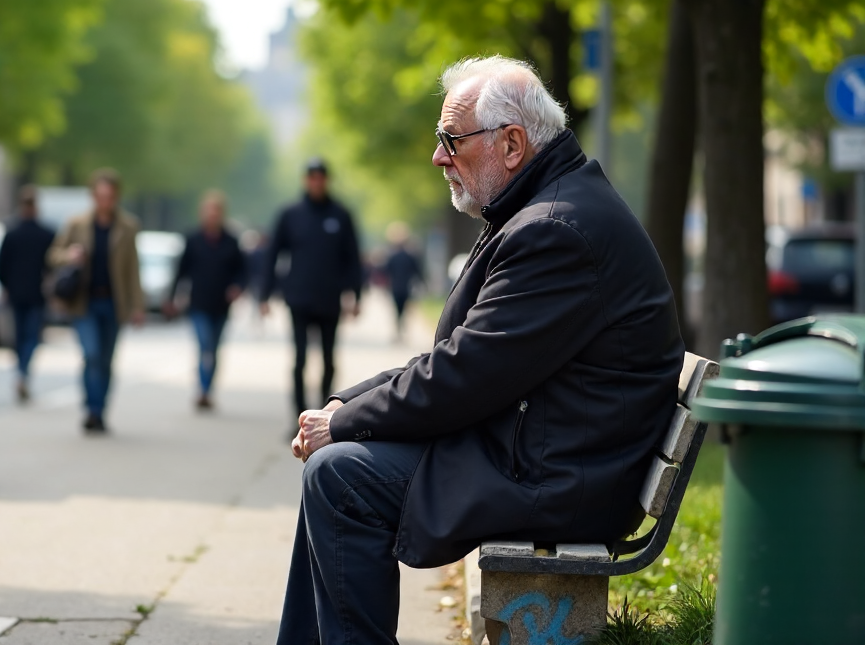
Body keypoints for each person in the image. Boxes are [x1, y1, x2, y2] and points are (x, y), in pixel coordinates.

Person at [278, 56, 684, 644]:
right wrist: (343, 407)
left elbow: (463, 376)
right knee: (334, 465)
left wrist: (341, 427)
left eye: (451, 140)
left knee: (339, 476)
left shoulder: (556, 230)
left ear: (512, 144)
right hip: (550, 454)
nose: (439, 157)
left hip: (559, 479)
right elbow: (465, 359)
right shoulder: (546, 209)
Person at [260, 159, 362, 428]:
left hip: (330, 298)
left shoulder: (341, 215)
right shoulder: (290, 214)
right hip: (299, 298)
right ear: (306, 181)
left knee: (329, 359)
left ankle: (324, 416)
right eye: (312, 177)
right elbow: (273, 256)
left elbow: (352, 257)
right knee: (300, 359)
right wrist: (264, 295)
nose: (316, 182)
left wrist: (357, 295)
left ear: (326, 181)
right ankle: (299, 418)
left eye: (321, 177)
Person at [47, 168, 145, 434]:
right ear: (93, 196)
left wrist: (138, 306)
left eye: (110, 196)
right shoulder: (76, 224)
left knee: (106, 360)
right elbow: (52, 255)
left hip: (114, 303)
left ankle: (100, 410)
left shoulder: (128, 227)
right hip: (84, 303)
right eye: (100, 195)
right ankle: (91, 409)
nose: (105, 201)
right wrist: (69, 255)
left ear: (116, 197)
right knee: (91, 355)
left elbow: (133, 270)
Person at [164, 191, 247, 410]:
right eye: (208, 211)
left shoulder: (231, 241)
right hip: (198, 303)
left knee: (215, 349)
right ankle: (202, 389)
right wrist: (172, 297)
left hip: (221, 305)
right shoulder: (193, 239)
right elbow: (181, 271)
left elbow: (242, 271)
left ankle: (208, 388)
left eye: (216, 211)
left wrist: (237, 287)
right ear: (202, 213)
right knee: (205, 346)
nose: (212, 216)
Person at [0, 185, 56, 403]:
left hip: (16, 293)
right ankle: (23, 372)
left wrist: (5, 285)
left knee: (20, 336)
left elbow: (0, 264)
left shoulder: (12, 233)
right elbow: (53, 265)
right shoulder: (46, 234)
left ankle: (20, 371)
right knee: (31, 336)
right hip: (36, 293)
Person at [381, 221, 423, 342]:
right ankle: (401, 331)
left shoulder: (391, 256)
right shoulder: (410, 256)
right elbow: (417, 271)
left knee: (397, 310)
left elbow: (385, 271)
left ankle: (398, 331)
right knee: (404, 310)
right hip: (406, 287)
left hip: (395, 287)